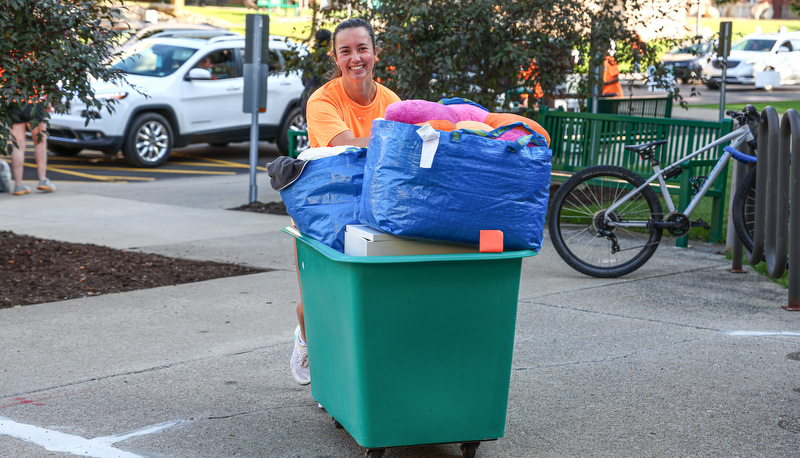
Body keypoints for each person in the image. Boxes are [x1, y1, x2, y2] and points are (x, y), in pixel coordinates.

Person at [290, 18, 400, 385]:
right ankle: (304, 337)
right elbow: (345, 144)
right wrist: (391, 140)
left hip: (374, 205)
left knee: (365, 297)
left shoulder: (391, 102)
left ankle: (343, 377)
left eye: (362, 49)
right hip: (325, 207)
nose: (356, 58)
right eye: (346, 51)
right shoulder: (322, 100)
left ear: (375, 53)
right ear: (336, 58)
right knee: (316, 299)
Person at [8, 101, 55, 196]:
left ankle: (18, 185)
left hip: (14, 104)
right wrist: (48, 103)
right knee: (40, 142)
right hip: (34, 103)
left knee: (18, 146)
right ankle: (42, 179)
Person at [301, 29, 333, 118]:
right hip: (322, 103)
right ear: (329, 43)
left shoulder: (309, 58)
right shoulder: (328, 62)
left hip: (306, 99)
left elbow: (303, 80)